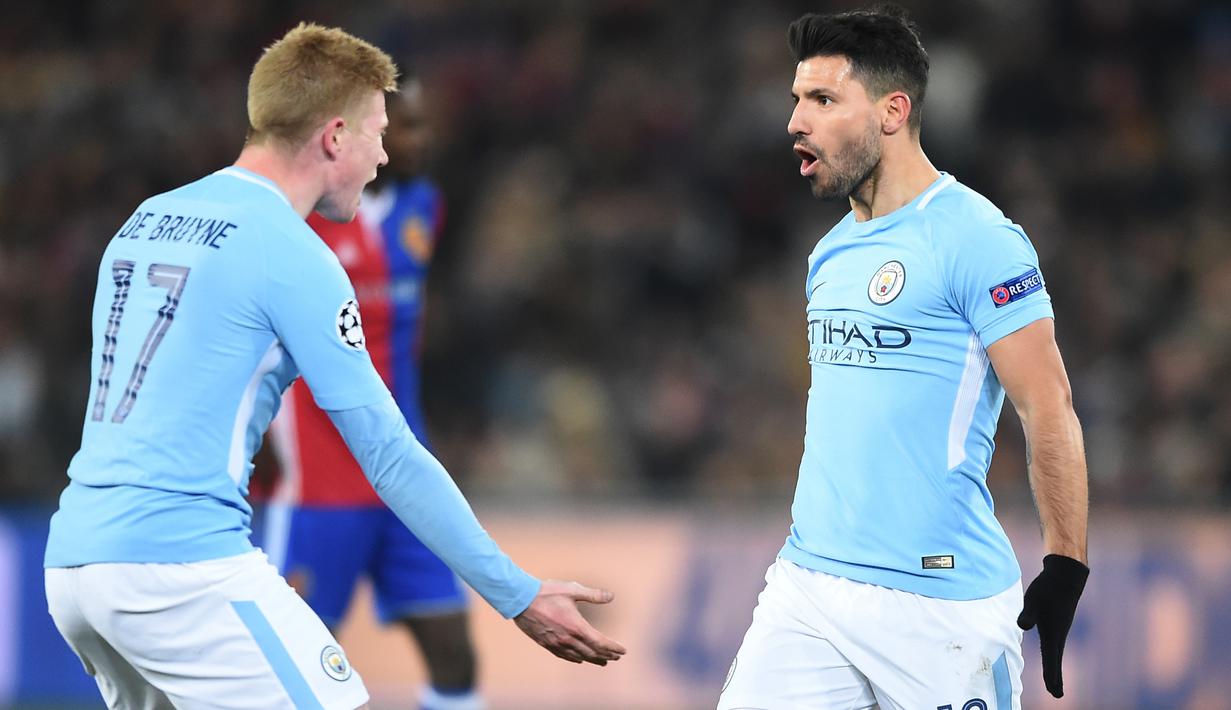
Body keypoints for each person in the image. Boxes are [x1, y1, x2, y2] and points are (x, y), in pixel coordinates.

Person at [43, 23, 624, 710]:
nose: (384, 154)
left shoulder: (146, 219)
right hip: (180, 568)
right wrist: (516, 593)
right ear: (335, 136)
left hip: (75, 563)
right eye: (378, 131)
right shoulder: (292, 253)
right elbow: (388, 453)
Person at [718, 7, 1088, 709]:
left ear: (892, 111)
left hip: (939, 610)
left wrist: (1065, 561)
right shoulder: (827, 252)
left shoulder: (980, 239)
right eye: (796, 99)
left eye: (822, 100)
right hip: (809, 590)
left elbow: (1047, 404)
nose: (795, 120)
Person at [259, 76, 484, 710]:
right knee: (289, 667)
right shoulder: (295, 218)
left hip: (406, 477)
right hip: (319, 485)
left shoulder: (424, 208)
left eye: (419, 125)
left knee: (454, 654)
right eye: (401, 127)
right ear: (348, 133)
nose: (419, 139)